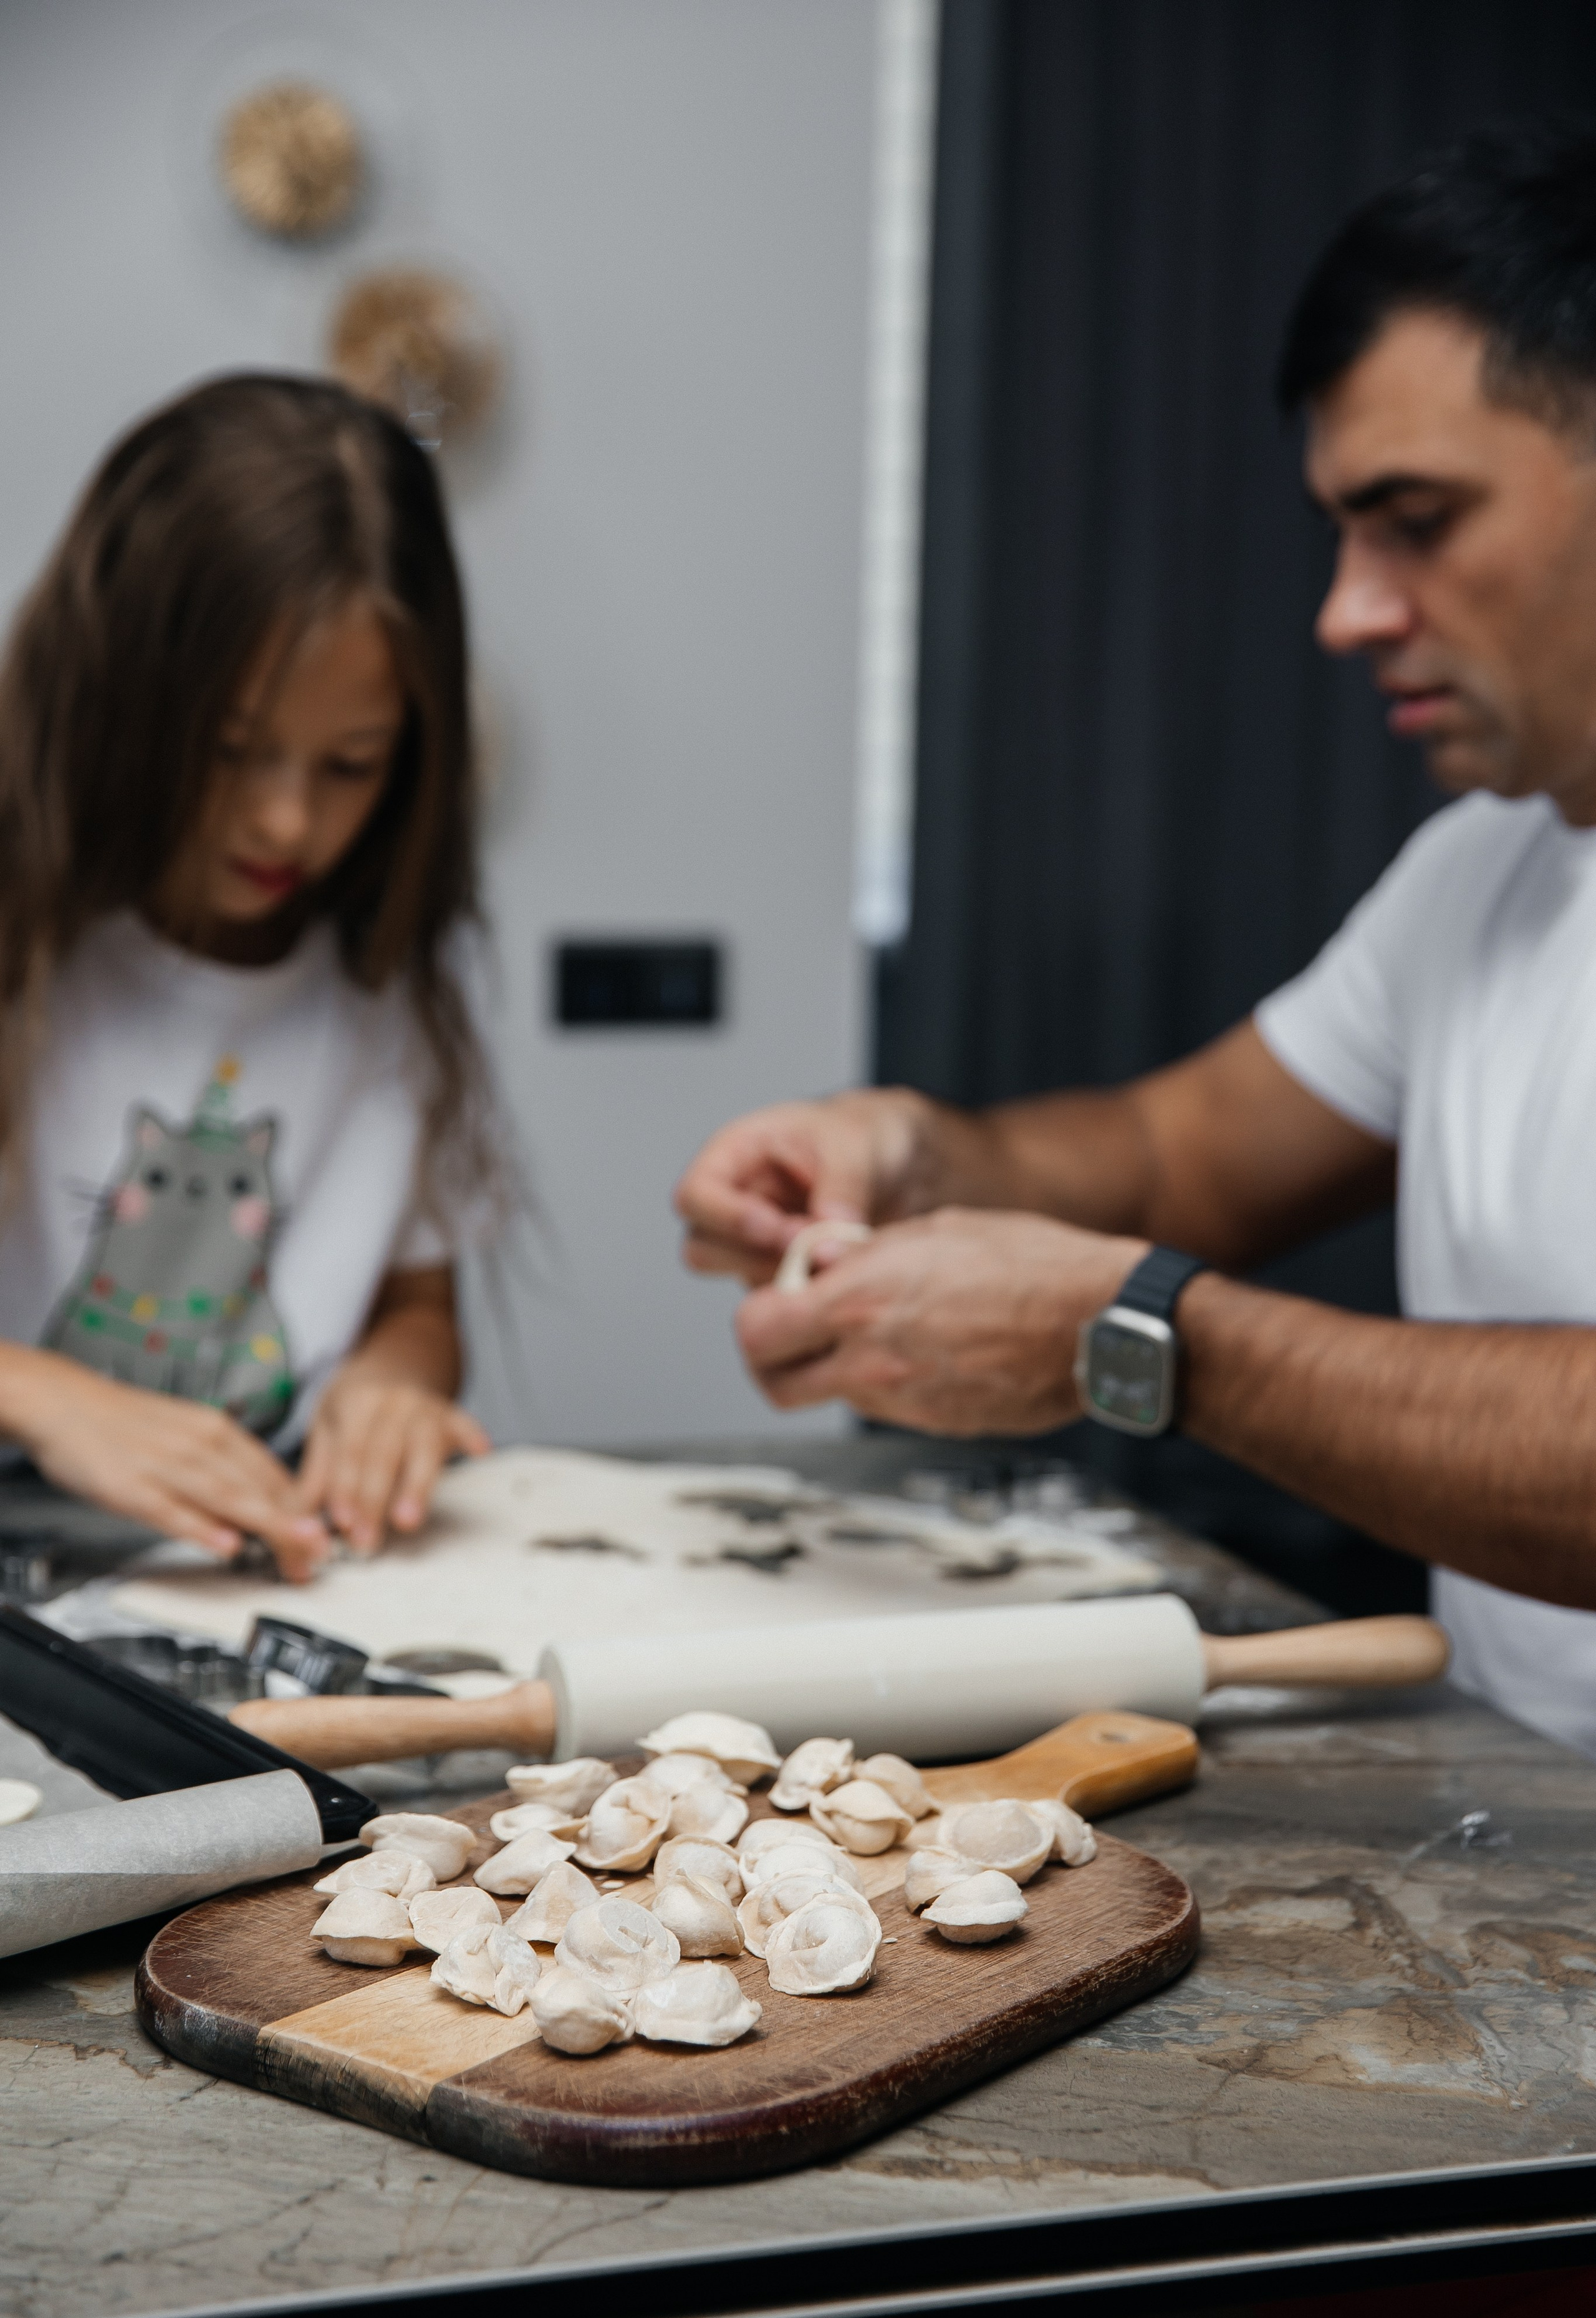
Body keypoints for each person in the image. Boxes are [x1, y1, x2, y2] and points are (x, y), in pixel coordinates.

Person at [676, 118, 1596, 1759]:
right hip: (1525, 1827)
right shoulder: (1484, 872)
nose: (1347, 610)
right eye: (1340, 531)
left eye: (1416, 520)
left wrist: (1141, 1341)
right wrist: (901, 1149)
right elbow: (1175, 1154)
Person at [0, 373, 494, 1583]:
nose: (284, 821)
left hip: (267, 1582)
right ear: (117, 692)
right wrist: (41, 1393)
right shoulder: (27, 949)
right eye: (233, 750)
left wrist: (393, 1383)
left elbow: (417, 1305)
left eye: (351, 765)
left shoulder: (385, 991)